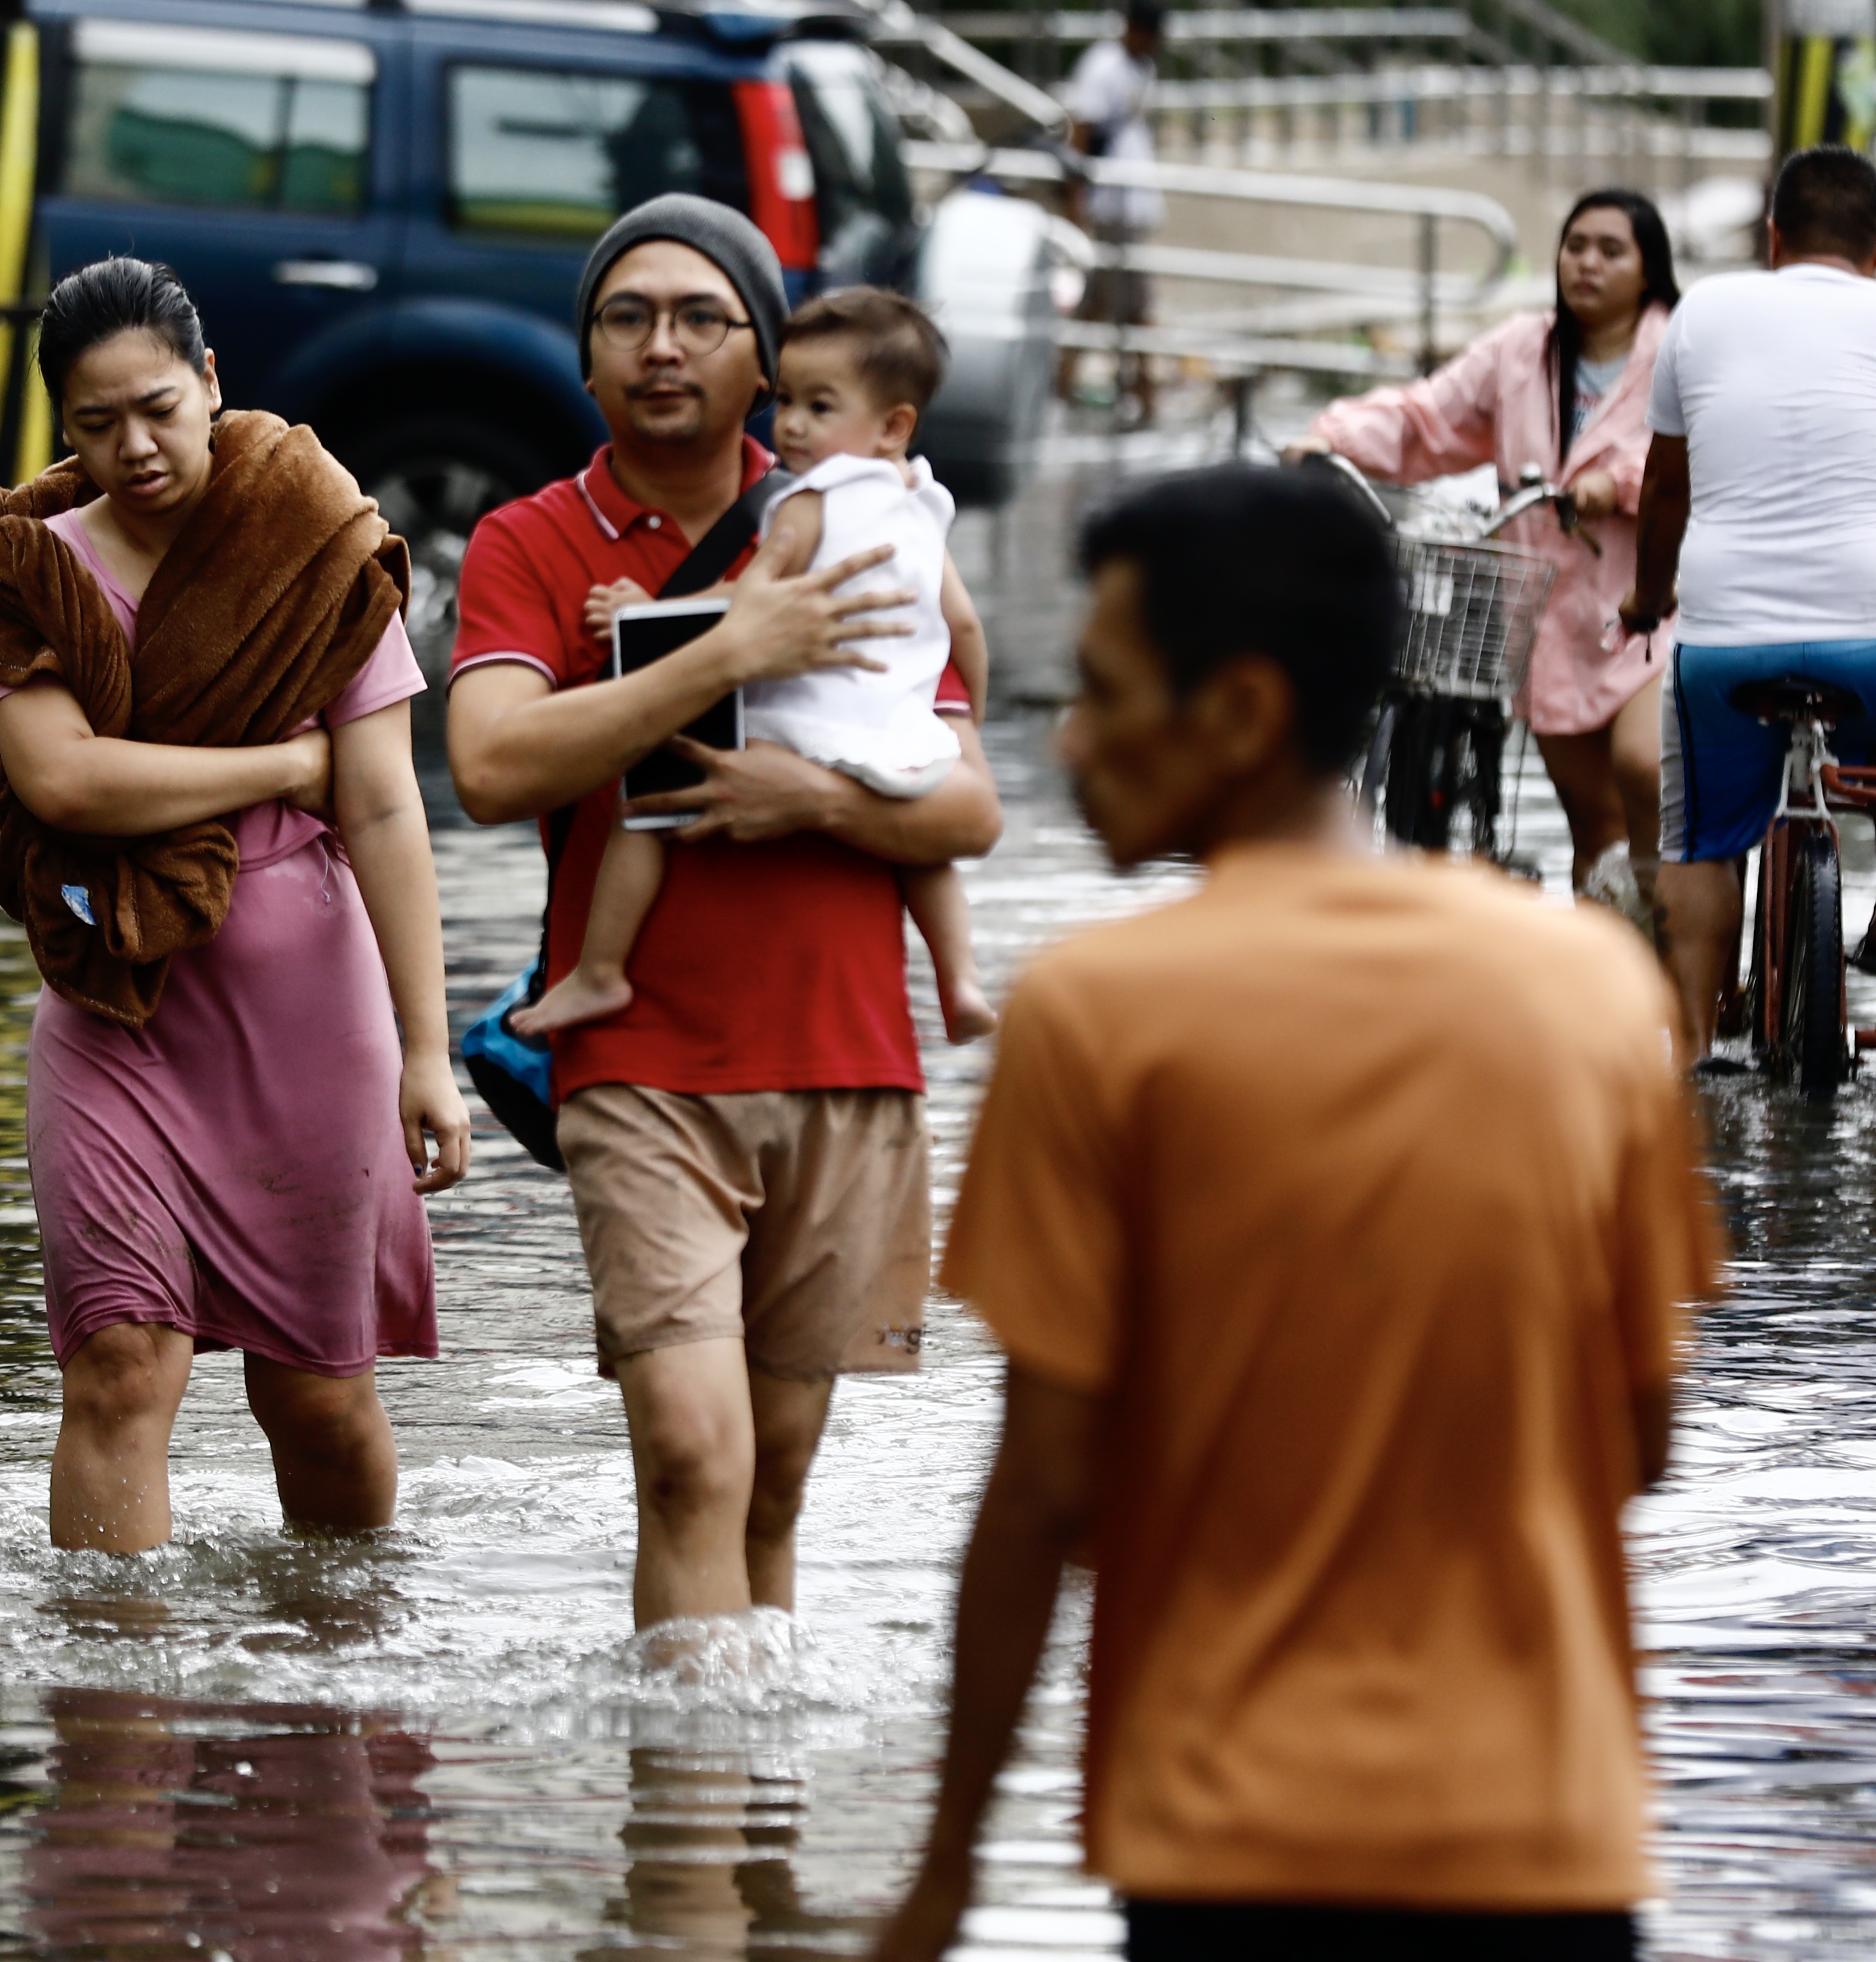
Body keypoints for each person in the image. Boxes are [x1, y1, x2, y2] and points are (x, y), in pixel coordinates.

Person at [873, 464, 1720, 1962]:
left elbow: (1045, 1483)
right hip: (1544, 1831)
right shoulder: (1590, 987)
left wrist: (942, 1873)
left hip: (1229, 1830)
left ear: (1242, 712)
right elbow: (1638, 1438)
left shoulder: (1098, 1013)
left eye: (1102, 692)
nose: (1068, 741)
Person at [446, 195, 1003, 1636]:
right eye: (625, 317)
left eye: (702, 316)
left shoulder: (866, 514)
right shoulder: (530, 537)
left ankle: (738, 1820)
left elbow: (964, 810)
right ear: (584, 358)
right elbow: (492, 766)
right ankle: (690, 1843)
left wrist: (805, 799)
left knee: (776, 1477)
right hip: (637, 1066)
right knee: (692, 1457)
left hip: (846, 1056)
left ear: (769, 356)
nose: (662, 344)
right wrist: (728, 651)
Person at [0, 256, 469, 1554]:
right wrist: (286, 766)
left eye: (160, 407)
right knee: (119, 1361)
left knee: (315, 1394)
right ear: (60, 424)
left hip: (307, 1019)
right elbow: (63, 777)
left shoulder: (313, 539)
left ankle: (335, 1659)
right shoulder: (27, 567)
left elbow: (387, 807)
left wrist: (428, 1050)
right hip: (118, 1001)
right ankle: (110, 1720)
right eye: (94, 422)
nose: (136, 446)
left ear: (212, 381)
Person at [515, 285, 997, 1047]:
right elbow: (963, 626)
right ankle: (960, 981)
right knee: (928, 852)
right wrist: (963, 709)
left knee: (647, 811)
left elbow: (748, 597)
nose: (794, 426)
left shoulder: (810, 500)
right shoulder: (922, 503)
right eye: (791, 401)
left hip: (799, 717)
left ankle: (600, 972)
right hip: (897, 727)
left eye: (820, 406)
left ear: (893, 424)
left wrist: (643, 612)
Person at [1617, 146, 1876, 1063]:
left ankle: (1692, 1047)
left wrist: (1645, 598)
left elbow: (1663, 488)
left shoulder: (1702, 313)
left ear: (1771, 237)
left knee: (1697, 840)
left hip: (1725, 645)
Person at [1287, 190, 1681, 915]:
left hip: (1653, 613)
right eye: (1575, 245)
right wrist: (1333, 438)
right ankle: (1608, 1002)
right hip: (1553, 615)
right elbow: (1428, 417)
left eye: (1610, 250)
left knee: (1648, 776)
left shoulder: (1682, 350)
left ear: (1650, 271)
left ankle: (1684, 958)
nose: (1586, 263)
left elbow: (1699, 456)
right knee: (1593, 829)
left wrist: (1617, 483)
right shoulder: (1522, 351)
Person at [1059, 0, 1166, 424]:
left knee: (1101, 299)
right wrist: (1076, 197)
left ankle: (1064, 381)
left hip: (1131, 198)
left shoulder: (1142, 69)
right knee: (1133, 302)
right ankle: (1145, 393)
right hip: (1110, 199)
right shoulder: (1102, 67)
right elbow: (1081, 130)